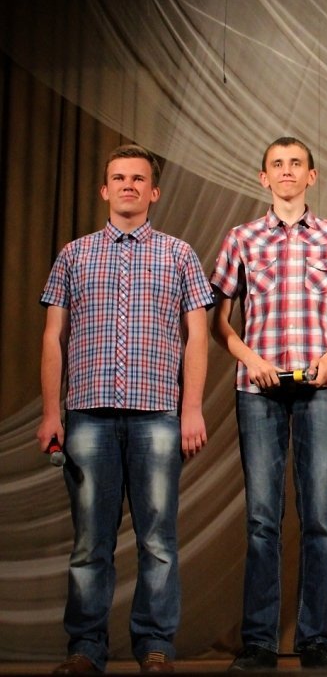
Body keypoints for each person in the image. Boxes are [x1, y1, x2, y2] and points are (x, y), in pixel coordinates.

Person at [38, 144, 214, 674]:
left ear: (153, 192)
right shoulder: (74, 254)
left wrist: (191, 408)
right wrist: (51, 414)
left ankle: (155, 646)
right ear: (104, 189)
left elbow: (198, 336)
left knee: (157, 540)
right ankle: (85, 649)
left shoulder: (179, 254)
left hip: (157, 414)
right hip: (87, 414)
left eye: (138, 178)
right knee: (90, 542)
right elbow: (53, 337)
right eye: (119, 177)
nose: (129, 185)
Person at [210, 137, 327, 671]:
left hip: (321, 389)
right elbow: (218, 323)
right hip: (258, 391)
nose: (286, 172)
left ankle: (314, 639)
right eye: (277, 165)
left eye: (296, 164)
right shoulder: (241, 238)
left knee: (319, 518)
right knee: (263, 519)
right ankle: (259, 641)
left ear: (312, 176)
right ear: (264, 177)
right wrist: (249, 358)